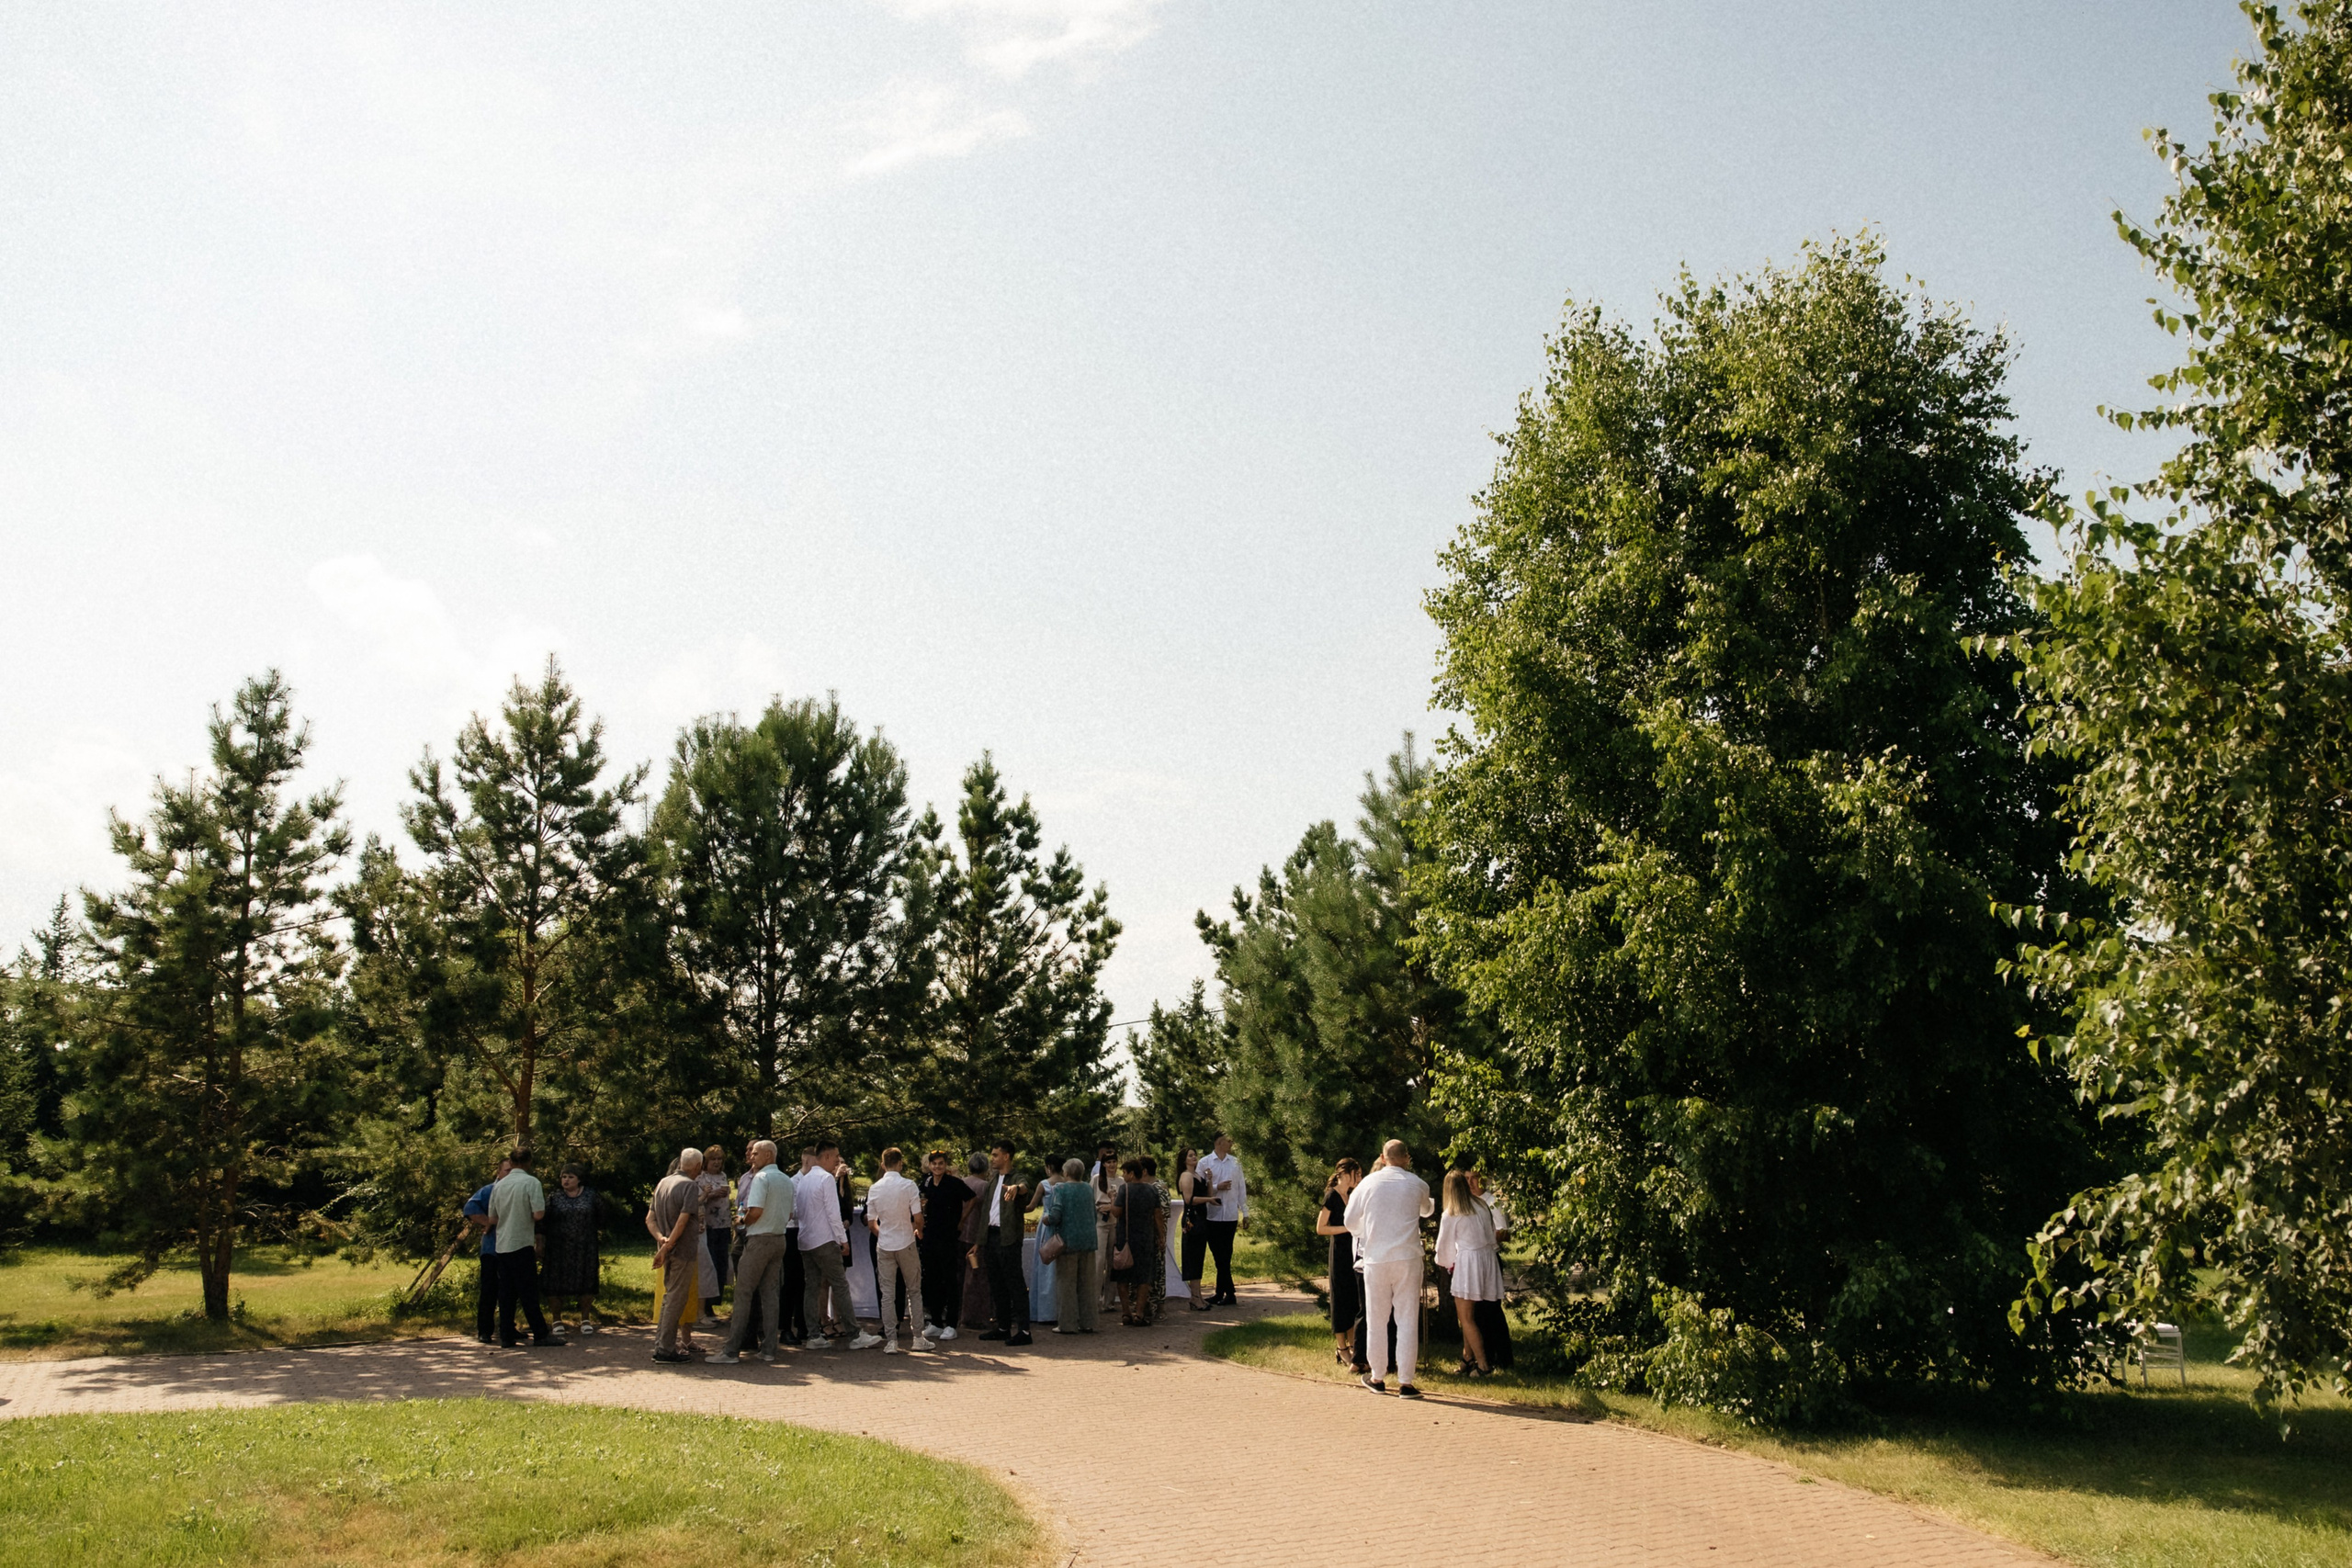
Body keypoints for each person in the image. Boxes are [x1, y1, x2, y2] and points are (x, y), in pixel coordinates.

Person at [1344, 1137, 1432, 1397]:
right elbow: (1427, 1210)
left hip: (1376, 1258)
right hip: (1408, 1257)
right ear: (1406, 1158)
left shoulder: (1369, 1183)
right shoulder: (1417, 1183)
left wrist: (1367, 1232)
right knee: (1406, 1319)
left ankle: (1378, 1376)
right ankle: (1406, 1381)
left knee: (1377, 1319)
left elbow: (1350, 1220)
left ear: (1383, 1158)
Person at [711, 1139, 793, 1366]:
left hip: (759, 1239)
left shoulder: (761, 1178)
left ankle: (731, 1351)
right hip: (779, 1239)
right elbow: (789, 1214)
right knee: (770, 1295)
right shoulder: (786, 1180)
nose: (751, 1156)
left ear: (768, 1155)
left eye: (756, 1153)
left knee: (744, 1293)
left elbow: (755, 1211)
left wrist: (743, 1221)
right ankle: (769, 1349)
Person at [797, 1139, 881, 1350]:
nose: (837, 1161)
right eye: (836, 1156)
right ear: (826, 1156)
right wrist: (843, 1240)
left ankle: (813, 1335)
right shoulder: (826, 1179)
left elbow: (800, 1211)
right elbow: (834, 1214)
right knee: (841, 1285)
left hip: (806, 1240)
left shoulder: (804, 1179)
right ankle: (854, 1334)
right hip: (825, 1240)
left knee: (812, 1287)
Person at [489, 1147, 561, 1348]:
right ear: (529, 1162)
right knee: (528, 1290)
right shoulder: (531, 1182)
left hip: (503, 1243)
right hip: (522, 1242)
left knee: (506, 1292)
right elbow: (538, 1214)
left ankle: (506, 1334)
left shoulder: (499, 1186)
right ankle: (540, 1333)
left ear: (510, 1163)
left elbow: (493, 1218)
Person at [1435, 1168, 1504, 1377]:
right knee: (1469, 1315)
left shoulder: (1452, 1213)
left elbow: (1443, 1247)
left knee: (1465, 1317)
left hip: (1469, 1262)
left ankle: (1483, 1365)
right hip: (1486, 1259)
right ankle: (1467, 1358)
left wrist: (1445, 1262)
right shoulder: (1481, 1205)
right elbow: (1492, 1235)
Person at [974, 1141, 1037, 1346]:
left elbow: (1024, 1186)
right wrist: (979, 1241)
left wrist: (1016, 1188)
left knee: (1015, 1284)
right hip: (991, 1237)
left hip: (1008, 1238)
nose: (991, 1158)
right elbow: (986, 1213)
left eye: (995, 1155)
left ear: (1006, 1156)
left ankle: (1024, 1331)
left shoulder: (1015, 1177)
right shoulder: (992, 1181)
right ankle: (1003, 1327)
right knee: (997, 1284)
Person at [866, 1146, 925, 1353]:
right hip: (906, 1241)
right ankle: (918, 1337)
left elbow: (871, 1221)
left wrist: (882, 1234)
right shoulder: (909, 1185)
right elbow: (918, 1218)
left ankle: (892, 1340)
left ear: (883, 1165)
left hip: (885, 1243)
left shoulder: (874, 1188)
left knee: (887, 1294)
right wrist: (918, 1230)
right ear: (900, 1163)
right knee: (914, 1290)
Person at [1316, 1157, 1366, 1371]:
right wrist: (1346, 1228)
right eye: (1358, 1174)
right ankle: (1341, 1348)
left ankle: (1355, 1344)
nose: (1361, 1178)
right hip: (1339, 1252)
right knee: (1339, 1297)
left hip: (1353, 1252)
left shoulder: (1353, 1196)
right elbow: (1321, 1228)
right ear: (1347, 1173)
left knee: (1353, 1299)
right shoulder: (1332, 1196)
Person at [539, 1163, 602, 1336]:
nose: (566, 1180)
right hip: (558, 1248)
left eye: (570, 1177)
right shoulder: (554, 1197)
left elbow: (601, 1217)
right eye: (563, 1177)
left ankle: (585, 1319)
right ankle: (557, 1320)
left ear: (579, 1179)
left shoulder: (591, 1195)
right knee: (555, 1283)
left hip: (585, 1247)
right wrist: (540, 1243)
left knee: (587, 1281)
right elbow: (543, 1222)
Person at [1042, 1156, 1101, 1334]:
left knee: (1066, 1284)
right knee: (1087, 1284)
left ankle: (1067, 1324)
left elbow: (1056, 1214)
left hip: (1067, 1242)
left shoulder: (1061, 1189)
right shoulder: (1088, 1189)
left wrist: (1047, 1218)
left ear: (1066, 1173)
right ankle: (1088, 1322)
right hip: (1089, 1240)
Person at [919, 1149, 970, 1341]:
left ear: (945, 1165)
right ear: (930, 1165)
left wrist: (961, 1220)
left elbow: (972, 1199)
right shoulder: (926, 1182)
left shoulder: (954, 1183)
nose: (937, 1167)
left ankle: (951, 1323)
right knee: (932, 1279)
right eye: (934, 1164)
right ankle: (936, 1322)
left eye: (941, 1163)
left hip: (948, 1237)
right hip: (930, 1236)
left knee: (950, 1280)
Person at [461, 1156, 512, 1345]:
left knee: (510, 1291)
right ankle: (485, 1330)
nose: (510, 1174)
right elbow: (470, 1207)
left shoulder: (519, 1189)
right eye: (507, 1170)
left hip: (512, 1249)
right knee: (489, 1291)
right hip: (492, 1249)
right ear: (499, 1172)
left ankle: (508, 1327)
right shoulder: (489, 1191)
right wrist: (488, 1222)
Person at [1110, 1156, 1163, 1325]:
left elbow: (1116, 1213)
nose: (1123, 1176)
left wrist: (1112, 1199)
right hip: (1145, 1238)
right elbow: (1157, 1215)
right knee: (1144, 1277)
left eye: (1125, 1172)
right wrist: (1161, 1236)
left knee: (1122, 1275)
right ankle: (1139, 1313)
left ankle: (1126, 1312)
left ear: (1132, 1174)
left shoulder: (1124, 1189)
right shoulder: (1152, 1190)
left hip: (1125, 1237)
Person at [1197, 1134, 1248, 1305]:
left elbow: (1241, 1187)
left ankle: (1224, 1293)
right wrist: (1218, 1186)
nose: (1231, 1143)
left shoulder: (1235, 1163)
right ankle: (1227, 1292)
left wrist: (1245, 1213)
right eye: (1228, 1140)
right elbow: (1199, 1189)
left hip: (1230, 1215)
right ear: (1219, 1143)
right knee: (1219, 1255)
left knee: (1225, 1255)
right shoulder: (1204, 1163)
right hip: (1212, 1215)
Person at [958, 1151, 996, 1331]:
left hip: (960, 1234)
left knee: (962, 1278)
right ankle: (979, 1316)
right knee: (978, 1279)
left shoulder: (961, 1183)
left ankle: (961, 1315)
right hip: (977, 1237)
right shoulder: (985, 1187)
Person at [1174, 1147, 1213, 1310]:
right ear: (1184, 1160)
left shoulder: (1198, 1175)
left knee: (1199, 1255)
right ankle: (1194, 1297)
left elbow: (1208, 1193)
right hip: (1193, 1219)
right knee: (1192, 1256)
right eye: (1190, 1155)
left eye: (1194, 1154)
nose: (1194, 1157)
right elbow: (1189, 1199)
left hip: (1202, 1218)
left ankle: (1198, 1295)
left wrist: (1210, 1180)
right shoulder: (1186, 1176)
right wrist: (1210, 1199)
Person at [698, 1145, 733, 1318]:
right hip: (709, 1226)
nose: (717, 1162)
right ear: (706, 1161)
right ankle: (706, 1306)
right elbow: (697, 1201)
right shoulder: (701, 1178)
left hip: (724, 1225)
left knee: (721, 1265)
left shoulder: (723, 1176)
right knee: (709, 1265)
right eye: (713, 1159)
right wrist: (712, 1195)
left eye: (719, 1159)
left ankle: (716, 1302)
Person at [1136, 1154, 1170, 1324]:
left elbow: (1163, 1213)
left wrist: (1159, 1235)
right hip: (1144, 1236)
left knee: (1158, 1271)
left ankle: (1160, 1308)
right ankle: (1146, 1306)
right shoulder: (1144, 1186)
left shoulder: (1159, 1187)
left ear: (1143, 1171)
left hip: (1156, 1235)